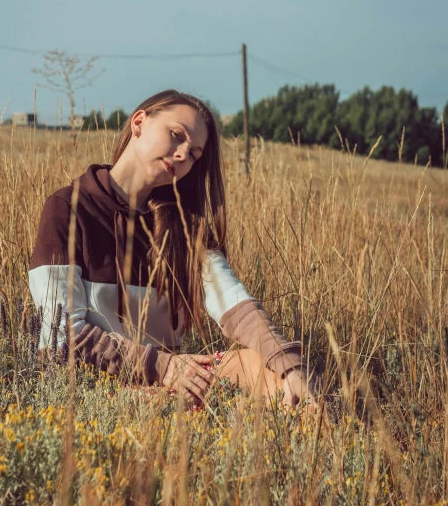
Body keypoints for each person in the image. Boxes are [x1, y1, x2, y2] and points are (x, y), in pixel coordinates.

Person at [28, 90, 316, 410]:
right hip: (89, 392)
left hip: (172, 387)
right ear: (139, 122)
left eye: (193, 154)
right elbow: (63, 336)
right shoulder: (67, 208)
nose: (181, 155)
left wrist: (290, 365)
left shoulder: (184, 226)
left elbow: (236, 305)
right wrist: (164, 367)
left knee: (268, 369)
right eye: (176, 135)